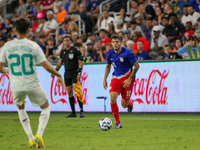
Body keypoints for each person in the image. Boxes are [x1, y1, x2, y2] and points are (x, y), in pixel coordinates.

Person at [0, 18, 65, 148]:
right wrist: (58, 75)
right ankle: (39, 135)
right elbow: (46, 66)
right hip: (32, 84)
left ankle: (30, 138)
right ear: (29, 31)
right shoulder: (33, 45)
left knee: (20, 108)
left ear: (15, 30)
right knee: (46, 107)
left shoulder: (7, 46)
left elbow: (0, 68)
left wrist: (10, 71)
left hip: (16, 86)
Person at [103, 34, 140, 129]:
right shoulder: (110, 53)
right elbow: (108, 66)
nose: (115, 44)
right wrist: (105, 79)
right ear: (111, 43)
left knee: (124, 105)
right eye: (113, 42)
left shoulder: (127, 53)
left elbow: (136, 66)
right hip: (115, 78)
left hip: (127, 79)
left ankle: (130, 103)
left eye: (117, 42)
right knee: (112, 98)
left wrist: (129, 79)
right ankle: (118, 122)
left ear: (120, 42)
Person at [53, 36, 85, 118]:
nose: (66, 42)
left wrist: (79, 72)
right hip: (67, 73)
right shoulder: (63, 52)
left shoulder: (75, 50)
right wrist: (54, 71)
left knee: (76, 90)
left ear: (70, 41)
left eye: (68, 40)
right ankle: (73, 112)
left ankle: (81, 111)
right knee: (70, 92)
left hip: (74, 72)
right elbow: (60, 63)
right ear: (63, 42)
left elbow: (81, 62)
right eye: (65, 40)